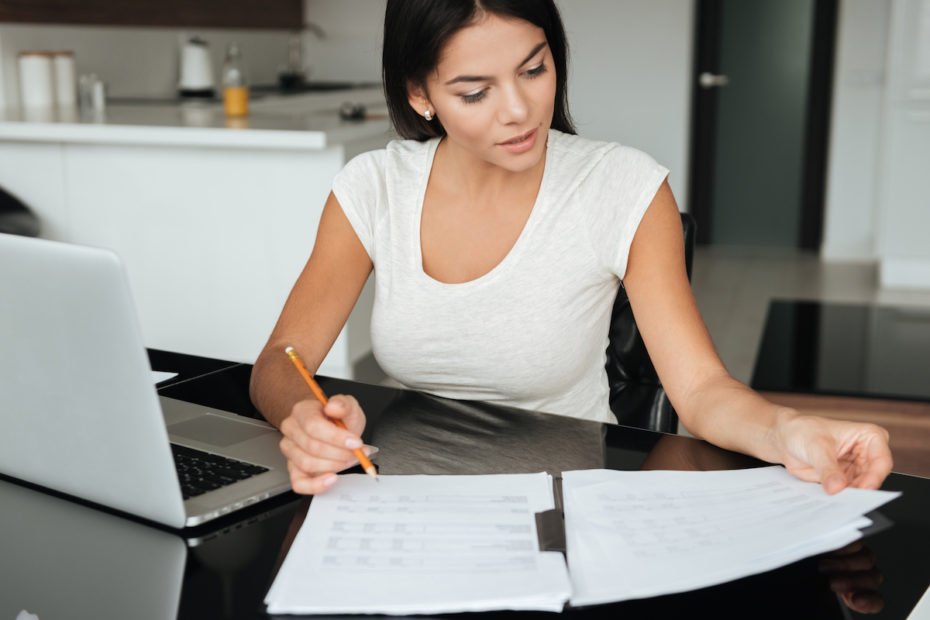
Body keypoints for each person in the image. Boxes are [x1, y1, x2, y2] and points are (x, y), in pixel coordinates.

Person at [249, 0, 892, 496]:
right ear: (420, 96)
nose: (521, 109)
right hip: (404, 504)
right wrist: (304, 418)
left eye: (535, 68)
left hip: (559, 509)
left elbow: (698, 387)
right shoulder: (374, 188)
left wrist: (787, 430)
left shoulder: (621, 187)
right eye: (475, 92)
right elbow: (281, 359)